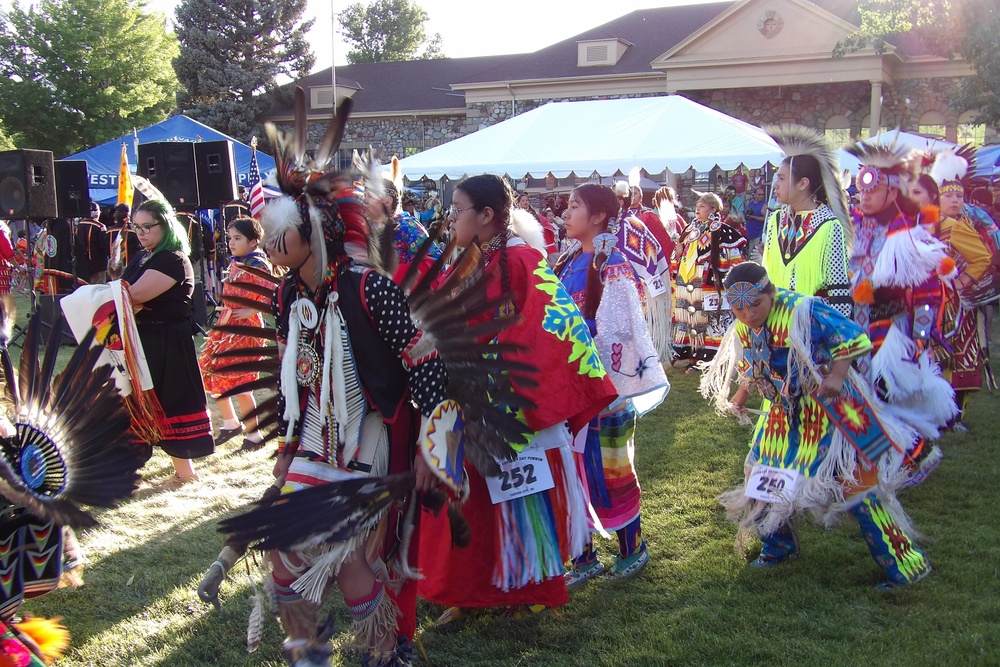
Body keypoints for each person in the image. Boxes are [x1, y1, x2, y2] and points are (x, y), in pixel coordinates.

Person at [419, 174, 617, 624]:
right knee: (470, 499)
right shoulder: (469, 260)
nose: (450, 218)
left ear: (487, 215)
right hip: (466, 401)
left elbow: (557, 329)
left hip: (512, 407)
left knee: (514, 500)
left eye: (457, 209)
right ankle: (469, 593)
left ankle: (523, 589)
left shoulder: (524, 261)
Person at [701, 262, 932, 590]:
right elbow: (753, 363)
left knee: (856, 485)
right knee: (763, 473)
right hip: (784, 412)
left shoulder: (803, 310)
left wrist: (837, 376)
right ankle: (778, 546)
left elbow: (851, 337)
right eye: (738, 308)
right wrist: (741, 394)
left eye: (756, 305)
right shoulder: (743, 323)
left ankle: (905, 563)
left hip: (829, 411)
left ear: (771, 294)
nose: (748, 314)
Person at [555, 184, 670, 586]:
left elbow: (619, 332)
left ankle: (632, 548)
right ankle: (583, 558)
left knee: (610, 470)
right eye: (566, 206)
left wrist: (580, 351)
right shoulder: (567, 262)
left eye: (574, 206)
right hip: (570, 390)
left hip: (605, 390)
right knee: (572, 471)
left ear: (600, 216)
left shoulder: (613, 265)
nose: (565, 213)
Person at [843, 139, 957, 480]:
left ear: (892, 191)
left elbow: (928, 292)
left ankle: (913, 457)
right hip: (855, 325)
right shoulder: (856, 228)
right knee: (857, 397)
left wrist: (918, 338)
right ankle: (874, 462)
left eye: (872, 190)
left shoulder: (907, 234)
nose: (864, 197)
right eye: (861, 191)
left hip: (892, 331)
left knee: (880, 397)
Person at [119, 198, 214, 487]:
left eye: (148, 226)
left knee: (171, 403)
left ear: (166, 225)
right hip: (144, 341)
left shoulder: (173, 259)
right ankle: (128, 470)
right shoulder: (143, 256)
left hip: (168, 343)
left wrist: (119, 295)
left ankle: (185, 473)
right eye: (136, 227)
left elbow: (132, 295)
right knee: (139, 403)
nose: (141, 232)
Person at [921, 159, 994, 428]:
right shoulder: (923, 225)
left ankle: (955, 415)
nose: (955, 199)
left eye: (959, 195)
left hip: (955, 305)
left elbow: (983, 257)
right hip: (923, 300)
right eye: (948, 194)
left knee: (959, 355)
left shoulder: (958, 227)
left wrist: (962, 281)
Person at [198, 216, 275, 450]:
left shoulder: (259, 263)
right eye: (230, 238)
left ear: (254, 241)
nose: (231, 243)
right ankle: (231, 423)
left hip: (246, 329)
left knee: (240, 382)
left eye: (237, 238)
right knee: (210, 370)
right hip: (227, 326)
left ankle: (254, 436)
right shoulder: (237, 261)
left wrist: (252, 308)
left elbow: (273, 293)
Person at [760, 124, 852, 317]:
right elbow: (766, 277)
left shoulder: (828, 226)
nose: (775, 185)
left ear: (803, 183)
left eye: (782, 178)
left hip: (814, 325)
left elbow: (838, 290)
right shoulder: (777, 220)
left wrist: (834, 334)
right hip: (777, 323)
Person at [672, 190, 745, 365]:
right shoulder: (690, 229)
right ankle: (688, 353)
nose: (697, 208)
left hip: (707, 283)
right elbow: (679, 254)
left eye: (702, 206)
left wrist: (717, 261)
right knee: (688, 317)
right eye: (697, 205)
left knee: (709, 319)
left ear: (713, 209)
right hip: (687, 280)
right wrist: (678, 252)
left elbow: (733, 260)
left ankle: (710, 357)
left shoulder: (721, 231)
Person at [75, 201, 109, 284]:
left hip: (82, 264)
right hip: (98, 265)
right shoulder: (100, 226)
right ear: (96, 213)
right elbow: (104, 246)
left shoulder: (78, 225)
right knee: (98, 290)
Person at [743, 186, 768, 260]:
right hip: (750, 233)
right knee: (748, 254)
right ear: (754, 195)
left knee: (754, 255)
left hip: (758, 233)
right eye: (759, 194)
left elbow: (765, 219)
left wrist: (753, 217)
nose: (761, 196)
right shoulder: (751, 203)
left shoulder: (764, 205)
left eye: (762, 195)